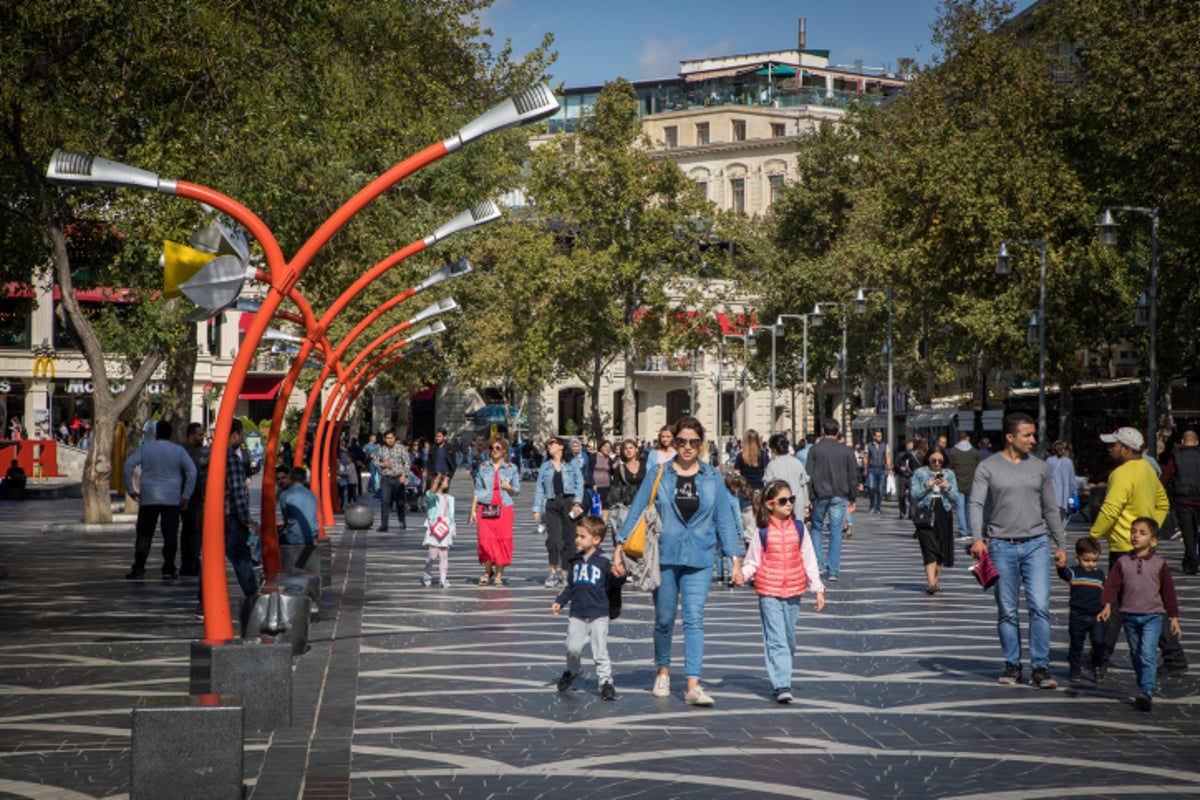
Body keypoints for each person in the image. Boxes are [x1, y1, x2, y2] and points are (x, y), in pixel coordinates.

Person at [613, 416, 742, 707]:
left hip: (700, 556)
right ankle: (663, 671)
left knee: (695, 619)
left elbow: (723, 519)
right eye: (681, 441)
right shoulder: (659, 473)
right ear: (674, 442)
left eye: (693, 442)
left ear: (701, 444)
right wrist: (620, 545)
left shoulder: (712, 477)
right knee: (664, 618)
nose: (686, 447)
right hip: (665, 555)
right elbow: (637, 509)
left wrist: (735, 559)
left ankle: (693, 684)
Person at [968, 412, 1066, 689]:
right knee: (1007, 610)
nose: (1033, 440)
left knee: (1040, 607)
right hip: (1000, 545)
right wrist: (977, 538)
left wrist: (1060, 545)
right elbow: (975, 504)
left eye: (1033, 434)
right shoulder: (987, 467)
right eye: (1027, 435)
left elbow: (1050, 507)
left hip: (1036, 543)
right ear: (1010, 437)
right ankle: (1012, 665)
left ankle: (1041, 668)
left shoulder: (1040, 468)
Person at [1088, 426, 1185, 674]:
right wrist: (1150, 531)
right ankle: (1172, 657)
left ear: (1127, 449)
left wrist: (1092, 536)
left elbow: (1110, 509)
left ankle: (1100, 654)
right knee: (1145, 601)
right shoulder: (1148, 470)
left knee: (1115, 601)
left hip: (1123, 545)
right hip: (1143, 546)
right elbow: (1163, 502)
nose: (1110, 449)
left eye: (1114, 445)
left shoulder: (1121, 473)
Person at [737, 479, 825, 703]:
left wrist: (817, 587)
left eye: (791, 500)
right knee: (776, 639)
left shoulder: (799, 528)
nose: (789, 504)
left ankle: (782, 672)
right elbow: (753, 561)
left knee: (789, 639)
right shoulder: (762, 531)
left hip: (795, 589)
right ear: (770, 505)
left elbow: (809, 558)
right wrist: (742, 575)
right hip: (768, 590)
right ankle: (782, 684)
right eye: (783, 501)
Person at [1098, 517, 1182, 711]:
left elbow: (1168, 592)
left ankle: (1147, 691)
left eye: (1142, 533)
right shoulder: (1122, 562)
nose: (1136, 536)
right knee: (1136, 654)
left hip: (1152, 615)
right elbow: (1112, 585)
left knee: (1147, 653)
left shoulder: (1159, 564)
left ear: (1153, 540)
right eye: (1134, 531)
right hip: (1129, 616)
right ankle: (1143, 683)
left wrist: (1174, 617)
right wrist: (1107, 605)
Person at [552, 515, 618, 701]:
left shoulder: (604, 561)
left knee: (600, 650)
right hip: (578, 614)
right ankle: (574, 671)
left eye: (582, 536)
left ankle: (606, 682)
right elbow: (570, 587)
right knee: (571, 648)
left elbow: (614, 584)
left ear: (596, 540)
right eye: (577, 535)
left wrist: (618, 575)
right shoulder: (575, 561)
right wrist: (560, 601)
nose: (577, 540)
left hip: (598, 613)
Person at [123, 420, 197, 580]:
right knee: (170, 536)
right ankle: (169, 567)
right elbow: (192, 471)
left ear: (156, 433)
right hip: (171, 498)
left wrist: (130, 489)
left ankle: (139, 567)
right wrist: (186, 495)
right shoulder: (178, 451)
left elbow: (128, 465)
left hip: (149, 497)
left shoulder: (146, 449)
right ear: (170, 433)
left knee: (144, 535)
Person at [805, 419, 859, 581]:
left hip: (819, 494)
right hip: (839, 494)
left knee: (817, 528)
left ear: (823, 430)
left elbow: (809, 474)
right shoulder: (846, 451)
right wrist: (852, 496)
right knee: (836, 531)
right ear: (838, 431)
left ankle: (818, 565)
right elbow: (852, 475)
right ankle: (833, 570)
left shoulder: (815, 449)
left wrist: (809, 496)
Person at [533, 437, 585, 588]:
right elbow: (539, 488)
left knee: (569, 540)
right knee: (554, 540)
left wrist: (577, 502)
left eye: (552, 443)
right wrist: (536, 509)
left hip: (569, 502)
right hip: (552, 503)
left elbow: (579, 483)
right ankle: (553, 572)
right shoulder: (545, 466)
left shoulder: (571, 463)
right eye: (548, 444)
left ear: (561, 446)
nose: (549, 446)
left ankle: (564, 573)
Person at [469, 436, 520, 587]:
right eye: (492, 448)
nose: (494, 451)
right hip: (485, 507)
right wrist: (473, 510)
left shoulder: (511, 468)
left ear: (504, 450)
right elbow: (477, 489)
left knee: (501, 541)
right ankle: (487, 570)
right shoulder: (483, 466)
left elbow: (517, 490)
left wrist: (508, 487)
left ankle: (498, 574)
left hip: (504, 508)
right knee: (485, 541)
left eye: (498, 448)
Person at [1056, 537, 1107, 684]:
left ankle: (1097, 666)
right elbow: (1063, 574)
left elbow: (1107, 593)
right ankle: (1075, 669)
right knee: (1076, 644)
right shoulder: (1073, 572)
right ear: (1077, 558)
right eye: (1086, 560)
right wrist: (1060, 565)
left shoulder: (1100, 575)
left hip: (1096, 616)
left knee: (1099, 642)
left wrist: (1107, 607)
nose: (1091, 564)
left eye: (1094, 560)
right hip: (1077, 615)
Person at [911, 450, 958, 595]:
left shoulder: (949, 474)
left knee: (941, 548)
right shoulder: (920, 473)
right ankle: (930, 583)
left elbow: (955, 497)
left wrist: (947, 487)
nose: (937, 464)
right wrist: (927, 485)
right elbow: (914, 494)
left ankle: (936, 582)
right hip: (925, 511)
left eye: (940, 461)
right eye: (934, 460)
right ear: (928, 459)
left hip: (943, 511)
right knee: (929, 548)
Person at [1159, 429, 1200, 575]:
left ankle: (1191, 563)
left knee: (1188, 532)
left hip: (1183, 499)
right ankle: (1193, 559)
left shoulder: (1176, 457)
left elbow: (1165, 477)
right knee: (1197, 532)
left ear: (1182, 442)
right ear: (1197, 442)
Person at [180, 422, 209, 576]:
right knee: (193, 531)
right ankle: (191, 561)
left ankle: (189, 562)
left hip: (193, 496)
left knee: (190, 531)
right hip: (194, 496)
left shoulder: (193, 451)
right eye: (199, 434)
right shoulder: (190, 452)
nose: (202, 437)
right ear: (190, 435)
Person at [421, 474, 456, 588]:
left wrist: (453, 526)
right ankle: (427, 572)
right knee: (432, 556)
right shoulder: (432, 497)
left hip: (445, 527)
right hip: (434, 527)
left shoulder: (449, 498)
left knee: (444, 555)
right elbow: (430, 495)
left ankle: (443, 578)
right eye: (445, 481)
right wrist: (435, 482)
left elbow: (451, 515)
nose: (447, 483)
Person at [763, 433, 810, 518]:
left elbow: (767, 487)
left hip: (780, 504)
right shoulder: (797, 462)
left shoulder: (772, 465)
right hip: (797, 503)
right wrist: (806, 504)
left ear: (773, 449)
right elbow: (804, 484)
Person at [606, 439, 645, 540]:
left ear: (636, 450)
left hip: (643, 504)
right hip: (627, 505)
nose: (628, 450)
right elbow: (615, 488)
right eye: (625, 449)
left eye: (631, 448)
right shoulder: (620, 468)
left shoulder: (645, 465)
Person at [372, 430, 409, 531]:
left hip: (398, 478)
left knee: (400, 502)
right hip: (386, 479)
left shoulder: (401, 448)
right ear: (385, 439)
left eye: (391, 438)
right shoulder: (381, 449)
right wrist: (382, 464)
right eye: (388, 438)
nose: (390, 440)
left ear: (394, 438)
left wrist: (404, 475)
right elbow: (375, 461)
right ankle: (384, 525)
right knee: (385, 501)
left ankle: (402, 520)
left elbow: (407, 462)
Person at [947, 432, 979, 539]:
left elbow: (949, 467)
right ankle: (971, 529)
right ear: (968, 438)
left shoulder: (952, 452)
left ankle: (963, 531)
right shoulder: (974, 452)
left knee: (960, 508)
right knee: (970, 508)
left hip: (958, 482)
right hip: (972, 483)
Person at [733, 429, 770, 505]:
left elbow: (736, 473)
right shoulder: (764, 455)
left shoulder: (740, 456)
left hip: (744, 490)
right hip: (760, 488)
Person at [1045, 440, 1077, 524]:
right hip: (1065, 494)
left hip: (1052, 493)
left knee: (1052, 513)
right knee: (1063, 514)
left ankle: (1055, 530)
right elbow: (1072, 480)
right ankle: (1062, 530)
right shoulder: (1068, 462)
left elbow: (1044, 477)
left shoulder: (1049, 461)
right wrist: (1074, 493)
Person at [863, 429, 891, 515]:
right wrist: (865, 469)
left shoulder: (885, 445)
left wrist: (889, 468)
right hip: (872, 468)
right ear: (874, 437)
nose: (880, 438)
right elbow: (866, 458)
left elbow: (887, 457)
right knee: (871, 488)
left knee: (880, 489)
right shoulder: (868, 445)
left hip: (881, 469)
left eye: (881, 436)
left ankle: (878, 507)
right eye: (878, 436)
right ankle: (872, 505)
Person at [894, 440, 920, 520]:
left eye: (911, 445)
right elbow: (896, 465)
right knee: (901, 495)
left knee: (912, 496)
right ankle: (902, 511)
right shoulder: (901, 455)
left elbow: (919, 465)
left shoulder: (916, 455)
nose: (909, 447)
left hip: (912, 477)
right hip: (902, 477)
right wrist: (899, 468)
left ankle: (912, 513)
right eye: (908, 445)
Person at [591, 440, 614, 521]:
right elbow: (589, 471)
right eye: (605, 446)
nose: (607, 449)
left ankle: (604, 524)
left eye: (609, 447)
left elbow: (611, 472)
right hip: (596, 486)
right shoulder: (593, 457)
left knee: (606, 506)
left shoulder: (609, 459)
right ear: (601, 447)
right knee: (596, 507)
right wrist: (592, 483)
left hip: (607, 485)